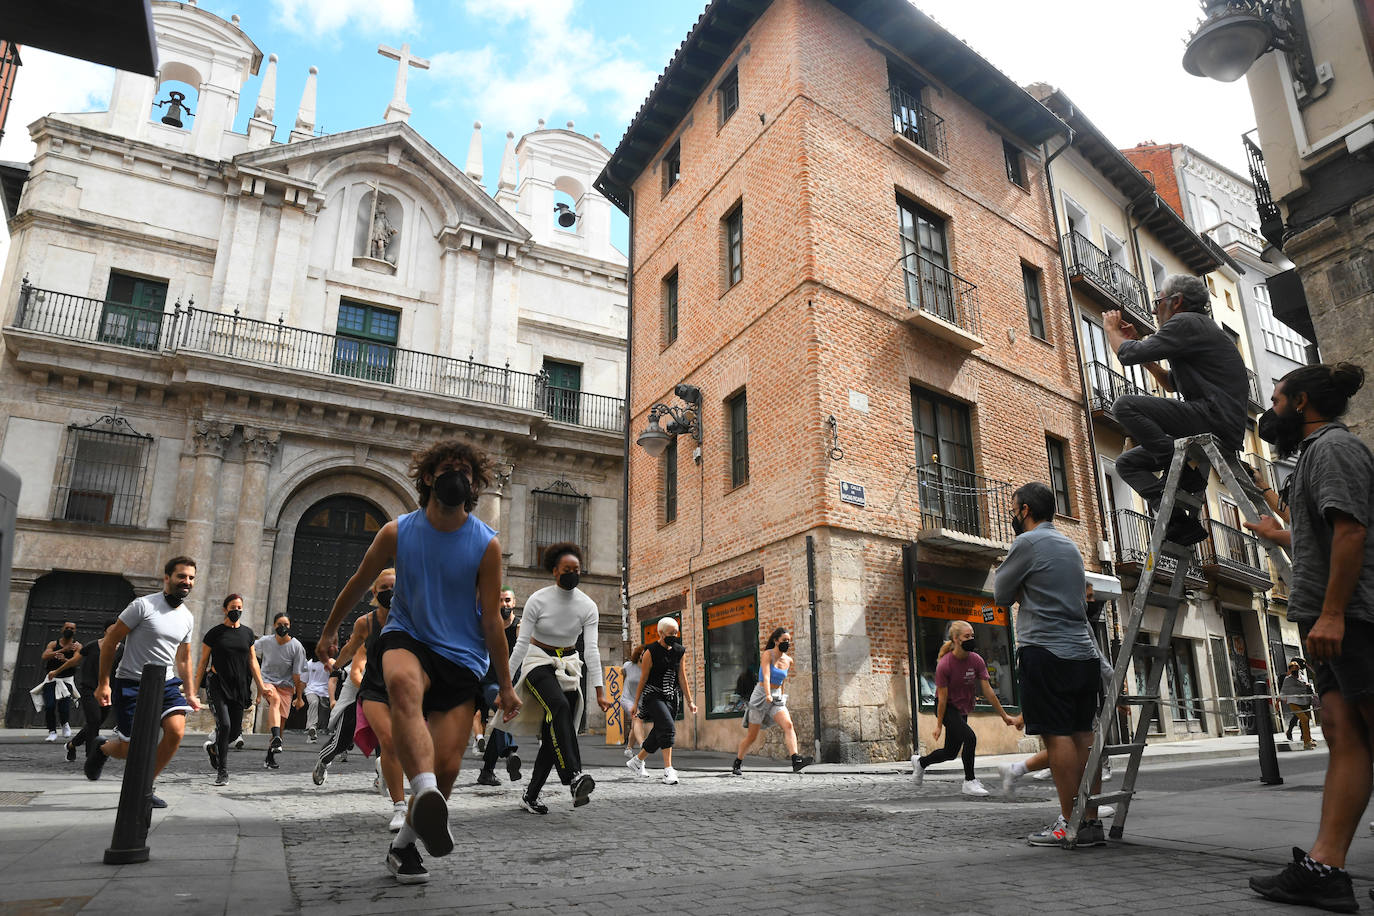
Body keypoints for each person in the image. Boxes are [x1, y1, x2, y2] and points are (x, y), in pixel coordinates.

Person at [317, 439, 519, 885]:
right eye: (449, 468)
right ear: (428, 477)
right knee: (404, 688)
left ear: (474, 484)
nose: (458, 478)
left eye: (466, 472)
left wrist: (505, 684)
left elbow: (491, 619)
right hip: (407, 636)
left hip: (463, 657)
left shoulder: (486, 544)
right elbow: (359, 580)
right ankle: (421, 789)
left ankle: (404, 844)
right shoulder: (397, 531)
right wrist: (330, 630)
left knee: (448, 768)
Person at [1244, 363, 1372, 913]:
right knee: (1345, 738)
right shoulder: (1314, 457)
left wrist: (1336, 613)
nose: (1269, 411)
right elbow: (1327, 532)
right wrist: (1285, 533)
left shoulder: (1335, 449)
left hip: (1355, 618)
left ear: (1300, 402)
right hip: (1329, 620)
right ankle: (1325, 870)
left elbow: (1352, 531)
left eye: (1275, 400)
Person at [994, 483, 1105, 848]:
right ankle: (1090, 821)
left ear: (1024, 510)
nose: (1013, 516)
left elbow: (1000, 594)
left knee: (1057, 736)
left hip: (1045, 650)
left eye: (1014, 510)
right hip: (1082, 654)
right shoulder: (1071, 547)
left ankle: (1068, 823)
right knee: (1084, 735)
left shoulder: (1027, 543)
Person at [1104, 274, 1248, 545]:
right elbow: (1171, 384)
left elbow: (1126, 355)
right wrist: (1142, 347)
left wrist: (1111, 330)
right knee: (1127, 463)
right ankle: (1178, 521)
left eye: (1157, 302)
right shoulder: (1195, 329)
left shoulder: (1186, 322)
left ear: (1176, 301)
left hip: (1213, 416)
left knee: (1124, 405)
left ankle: (1179, 469)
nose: (1155, 310)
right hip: (1217, 418)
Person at [84, 556, 202, 810]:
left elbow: (184, 657)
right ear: (167, 578)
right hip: (131, 682)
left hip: (166, 683)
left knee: (176, 730)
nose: (187, 582)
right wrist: (103, 683)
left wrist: (191, 692)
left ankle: (145, 786)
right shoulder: (142, 606)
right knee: (131, 748)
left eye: (191, 578)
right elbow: (111, 642)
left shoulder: (187, 617)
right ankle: (103, 748)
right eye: (182, 576)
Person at [505, 544, 609, 814]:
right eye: (567, 570)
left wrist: (600, 690)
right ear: (554, 571)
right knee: (559, 707)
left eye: (576, 570)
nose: (572, 574)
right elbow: (521, 644)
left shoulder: (588, 605)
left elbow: (593, 649)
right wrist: (505, 686)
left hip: (569, 665)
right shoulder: (538, 600)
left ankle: (530, 795)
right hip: (538, 661)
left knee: (556, 736)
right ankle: (574, 777)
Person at [317, 568, 410, 835]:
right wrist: (334, 665)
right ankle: (399, 807)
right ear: (374, 593)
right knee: (389, 743)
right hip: (375, 690)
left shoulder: (414, 618)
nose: (389, 593)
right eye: (384, 589)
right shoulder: (365, 623)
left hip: (405, 689)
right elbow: (349, 649)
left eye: (394, 587)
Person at [911, 620, 1018, 795]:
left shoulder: (976, 660)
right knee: (970, 738)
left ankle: (921, 762)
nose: (971, 639)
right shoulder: (945, 664)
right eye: (967, 636)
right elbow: (943, 698)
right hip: (946, 708)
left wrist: (1004, 715)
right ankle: (969, 781)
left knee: (950, 753)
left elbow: (989, 691)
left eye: (973, 636)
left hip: (962, 707)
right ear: (955, 639)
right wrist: (938, 725)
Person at [193, 594, 268, 786]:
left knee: (234, 733)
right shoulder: (214, 633)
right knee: (224, 726)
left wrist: (261, 687)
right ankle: (222, 771)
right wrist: (193, 690)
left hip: (239, 686)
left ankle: (213, 749)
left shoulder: (247, 634)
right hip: (217, 683)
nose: (237, 611)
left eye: (240, 607)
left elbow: (253, 662)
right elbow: (203, 662)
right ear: (225, 609)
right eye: (233, 607)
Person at [732, 627, 814, 776]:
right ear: (776, 641)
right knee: (752, 736)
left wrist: (779, 696)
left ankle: (796, 760)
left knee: (788, 725)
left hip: (776, 697)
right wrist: (768, 694)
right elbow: (767, 675)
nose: (787, 643)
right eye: (784, 641)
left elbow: (782, 681)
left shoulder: (789, 660)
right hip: (761, 695)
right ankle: (738, 761)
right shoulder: (768, 655)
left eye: (788, 641)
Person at [627, 617, 696, 786]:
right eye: (670, 633)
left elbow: (682, 677)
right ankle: (668, 770)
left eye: (676, 632)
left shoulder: (679, 651)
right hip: (653, 695)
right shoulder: (650, 651)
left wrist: (690, 701)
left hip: (672, 696)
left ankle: (637, 760)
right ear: (660, 633)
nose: (674, 635)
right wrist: (636, 703)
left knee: (659, 732)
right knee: (667, 727)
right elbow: (643, 679)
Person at [475, 588, 522, 787]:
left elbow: (524, 649)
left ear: (514, 603)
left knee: (500, 722)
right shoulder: (489, 625)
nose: (504, 604)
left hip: (512, 683)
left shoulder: (520, 626)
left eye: (508, 600)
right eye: (501, 601)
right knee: (503, 709)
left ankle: (487, 772)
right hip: (490, 682)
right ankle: (510, 752)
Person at [255, 613, 307, 769]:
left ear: (290, 626)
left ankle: (270, 756)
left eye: (286, 624)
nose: (282, 627)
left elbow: (297, 674)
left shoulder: (296, 647)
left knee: (281, 723)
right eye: (279, 624)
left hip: (286, 686)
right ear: (274, 625)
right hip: (267, 682)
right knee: (274, 701)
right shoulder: (265, 641)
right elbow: (249, 649)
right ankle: (277, 737)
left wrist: (299, 697)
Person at [64, 619, 117, 762]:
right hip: (89, 690)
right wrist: (57, 671)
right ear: (105, 630)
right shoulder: (93, 646)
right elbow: (75, 660)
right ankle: (91, 757)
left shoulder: (122, 649)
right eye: (112, 628)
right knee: (94, 720)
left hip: (108, 692)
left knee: (95, 723)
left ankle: (72, 745)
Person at [39, 623, 81, 742]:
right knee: (49, 706)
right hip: (51, 679)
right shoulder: (53, 643)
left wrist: (65, 659)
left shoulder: (77, 646)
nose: (69, 630)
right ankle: (52, 731)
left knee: (64, 706)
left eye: (72, 628)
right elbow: (45, 655)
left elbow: (75, 662)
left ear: (75, 631)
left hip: (66, 680)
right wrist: (63, 650)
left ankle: (65, 724)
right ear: (62, 629)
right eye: (67, 628)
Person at [1279, 659, 1316, 750]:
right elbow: (1283, 691)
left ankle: (1308, 739)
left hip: (1304, 701)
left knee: (1306, 720)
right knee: (1304, 719)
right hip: (1294, 702)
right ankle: (1306, 742)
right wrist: (1278, 702)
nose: (1295, 672)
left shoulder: (1302, 676)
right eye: (1293, 670)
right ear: (1290, 670)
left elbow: (1307, 687)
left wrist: (1308, 686)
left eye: (1296, 670)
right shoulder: (1288, 679)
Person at [621, 644, 647, 757]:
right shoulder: (628, 666)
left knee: (634, 724)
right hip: (627, 699)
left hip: (640, 702)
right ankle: (643, 744)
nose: (645, 656)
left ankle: (628, 749)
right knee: (637, 718)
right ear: (639, 655)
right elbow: (622, 673)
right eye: (643, 654)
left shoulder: (648, 668)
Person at [304, 653, 332, 742]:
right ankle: (312, 727)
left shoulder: (329, 663)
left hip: (325, 692)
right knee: (314, 702)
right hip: (310, 690)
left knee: (324, 712)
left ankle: (313, 734)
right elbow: (304, 679)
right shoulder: (309, 664)